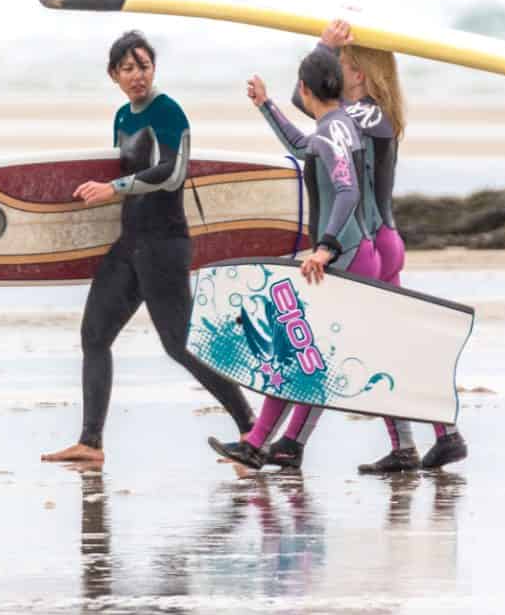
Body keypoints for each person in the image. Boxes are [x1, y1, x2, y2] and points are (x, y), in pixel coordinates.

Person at [41, 30, 256, 467]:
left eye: (143, 65)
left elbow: (173, 173)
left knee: (179, 345)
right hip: (130, 243)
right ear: (113, 75)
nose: (137, 75)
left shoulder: (169, 111)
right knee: (94, 334)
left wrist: (115, 187)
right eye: (127, 68)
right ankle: (91, 443)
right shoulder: (122, 116)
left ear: (154, 68)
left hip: (164, 244)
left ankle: (251, 428)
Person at [209, 46, 379, 470]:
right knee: (312, 357)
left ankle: (257, 442)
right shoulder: (341, 125)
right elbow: (305, 146)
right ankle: (289, 444)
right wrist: (266, 106)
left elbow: (347, 192)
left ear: (304, 89)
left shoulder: (329, 133)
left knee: (293, 348)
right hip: (359, 252)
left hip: (345, 254)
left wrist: (324, 246)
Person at [318, 19, 468, 473]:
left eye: (343, 65)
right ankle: (422, 440)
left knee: (385, 346)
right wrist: (328, 51)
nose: (335, 72)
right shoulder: (379, 113)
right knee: (389, 345)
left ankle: (438, 435)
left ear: (360, 73)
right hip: (386, 236)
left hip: (371, 241)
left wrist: (322, 48)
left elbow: (309, 98)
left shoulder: (362, 116)